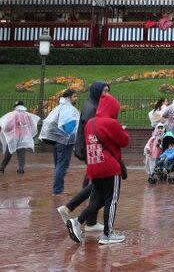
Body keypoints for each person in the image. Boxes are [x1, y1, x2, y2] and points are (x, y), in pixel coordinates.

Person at [66, 93, 130, 245]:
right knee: (111, 200)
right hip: (109, 167)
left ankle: (77, 221)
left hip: (94, 166)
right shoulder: (111, 123)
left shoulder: (90, 123)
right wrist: (120, 128)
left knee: (99, 199)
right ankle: (108, 234)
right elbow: (125, 140)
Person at [58, 80, 109, 232]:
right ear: (97, 91)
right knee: (97, 186)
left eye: (108, 91)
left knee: (94, 184)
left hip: (92, 151)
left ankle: (84, 217)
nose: (107, 94)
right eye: (104, 91)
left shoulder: (92, 105)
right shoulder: (91, 107)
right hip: (92, 152)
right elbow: (91, 131)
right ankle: (73, 211)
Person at [40, 89, 80, 195]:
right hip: (65, 141)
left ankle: (58, 188)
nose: (76, 99)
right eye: (74, 96)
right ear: (68, 98)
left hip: (57, 140)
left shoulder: (59, 107)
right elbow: (69, 126)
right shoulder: (68, 109)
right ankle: (57, 190)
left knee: (58, 165)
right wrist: (74, 136)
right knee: (62, 165)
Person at [0, 101, 40, 174]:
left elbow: (7, 126)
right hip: (23, 137)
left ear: (15, 107)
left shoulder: (13, 114)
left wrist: (7, 131)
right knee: (21, 153)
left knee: (9, 151)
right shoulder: (27, 115)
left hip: (14, 136)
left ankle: (2, 167)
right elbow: (32, 125)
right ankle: (21, 168)